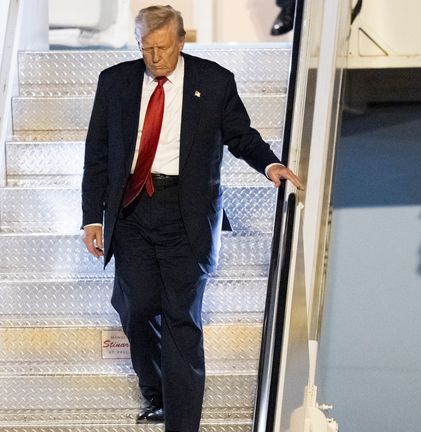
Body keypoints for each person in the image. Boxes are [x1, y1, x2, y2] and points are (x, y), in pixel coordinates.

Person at [81, 5, 302, 432]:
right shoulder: (115, 83)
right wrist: (92, 218)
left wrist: (270, 165)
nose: (155, 58)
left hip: (187, 212)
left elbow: (241, 136)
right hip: (131, 209)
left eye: (163, 48)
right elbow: (97, 155)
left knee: (182, 318)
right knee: (137, 306)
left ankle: (181, 425)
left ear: (182, 41)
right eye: (146, 49)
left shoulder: (214, 82)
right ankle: (156, 388)